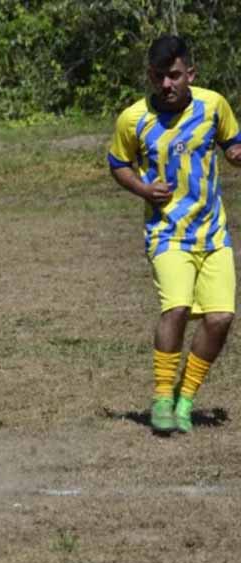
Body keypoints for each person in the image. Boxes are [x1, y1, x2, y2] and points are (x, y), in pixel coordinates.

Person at [108, 35, 241, 435]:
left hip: (212, 233)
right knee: (177, 308)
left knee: (220, 318)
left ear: (190, 75)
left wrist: (235, 154)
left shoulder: (214, 105)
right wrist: (144, 190)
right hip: (166, 234)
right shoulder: (134, 119)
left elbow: (233, 144)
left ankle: (186, 398)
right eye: (158, 77)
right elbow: (118, 163)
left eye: (174, 76)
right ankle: (163, 398)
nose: (166, 85)